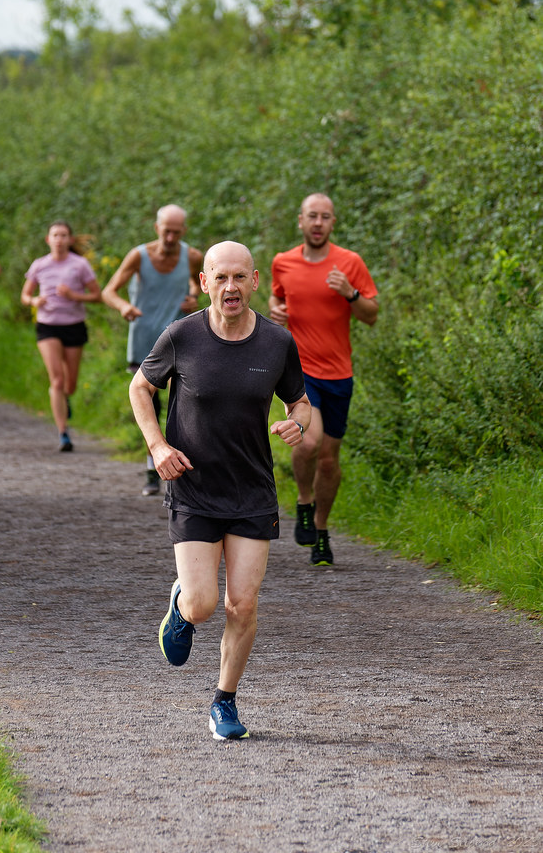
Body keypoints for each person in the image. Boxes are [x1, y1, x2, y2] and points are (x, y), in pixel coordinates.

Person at [129, 241, 310, 741]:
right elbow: (140, 387)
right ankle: (182, 605)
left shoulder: (276, 342)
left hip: (252, 491)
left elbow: (300, 401)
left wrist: (297, 423)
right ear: (205, 282)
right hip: (194, 487)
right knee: (204, 605)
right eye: (221, 277)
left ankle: (224, 702)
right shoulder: (181, 336)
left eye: (239, 277)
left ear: (255, 281)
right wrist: (157, 446)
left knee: (242, 605)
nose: (231, 287)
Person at [270, 192, 378, 567]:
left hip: (339, 373)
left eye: (325, 217)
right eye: (312, 216)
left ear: (333, 223)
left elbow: (371, 315)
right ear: (300, 221)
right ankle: (303, 500)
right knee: (308, 441)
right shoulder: (282, 262)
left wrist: (350, 293)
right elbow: (277, 301)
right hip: (300, 370)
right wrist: (276, 311)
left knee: (329, 461)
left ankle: (320, 529)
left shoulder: (350, 263)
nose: (318, 223)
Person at [102, 204, 203, 496]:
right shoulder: (139, 256)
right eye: (166, 231)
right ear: (156, 228)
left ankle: (186, 469)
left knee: (182, 405)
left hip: (179, 340)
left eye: (176, 232)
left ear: (184, 231)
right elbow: (108, 291)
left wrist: (193, 296)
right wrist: (124, 306)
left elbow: (199, 283)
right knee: (151, 405)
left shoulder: (192, 256)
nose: (170, 238)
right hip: (145, 340)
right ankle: (152, 468)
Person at [21, 221, 101, 452]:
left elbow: (97, 295)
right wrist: (34, 300)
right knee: (56, 380)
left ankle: (64, 400)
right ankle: (63, 433)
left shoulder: (80, 265)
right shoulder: (40, 265)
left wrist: (74, 296)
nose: (59, 239)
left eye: (64, 235)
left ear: (70, 240)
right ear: (48, 240)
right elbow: (25, 295)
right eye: (55, 235)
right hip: (47, 326)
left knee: (70, 385)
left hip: (74, 325)